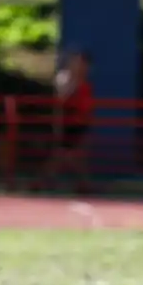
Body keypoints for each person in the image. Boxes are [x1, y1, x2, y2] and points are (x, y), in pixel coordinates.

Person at [32, 48, 94, 196]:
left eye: (82, 62)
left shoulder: (84, 80)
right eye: (77, 61)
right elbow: (60, 101)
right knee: (64, 154)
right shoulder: (64, 78)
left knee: (73, 155)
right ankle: (44, 181)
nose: (80, 65)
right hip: (67, 122)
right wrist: (57, 125)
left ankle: (80, 183)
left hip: (80, 122)